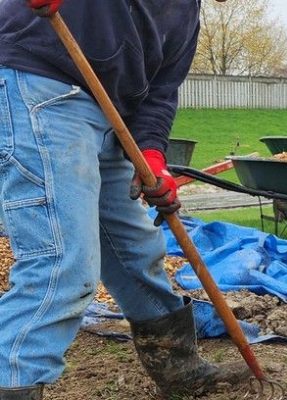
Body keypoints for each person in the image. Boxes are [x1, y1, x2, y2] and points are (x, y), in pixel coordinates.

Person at [0, 1, 249, 398]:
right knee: (62, 263)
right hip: (40, 87)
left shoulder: (186, 13)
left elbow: (161, 92)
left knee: (137, 248)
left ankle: (180, 370)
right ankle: (13, 384)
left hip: (108, 118)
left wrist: (152, 155)